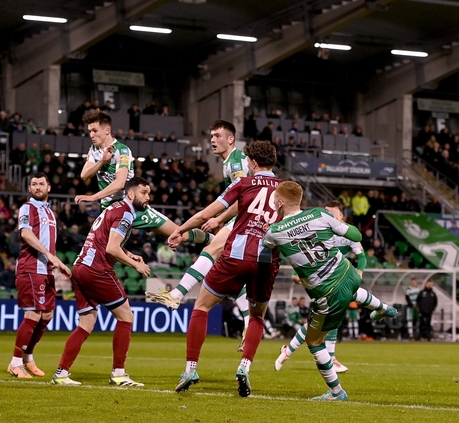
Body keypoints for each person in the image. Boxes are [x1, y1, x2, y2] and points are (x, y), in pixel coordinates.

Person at [168, 141, 281, 397]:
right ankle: (244, 366)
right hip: (267, 260)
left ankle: (191, 368)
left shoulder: (244, 183)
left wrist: (181, 230)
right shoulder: (286, 190)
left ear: (252, 162)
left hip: (237, 255)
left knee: (202, 306)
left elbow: (205, 214)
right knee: (256, 317)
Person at [147, 120, 252, 353]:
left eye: (217, 135)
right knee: (230, 270)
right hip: (248, 221)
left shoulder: (236, 162)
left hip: (247, 218)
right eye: (211, 135)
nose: (212, 139)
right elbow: (210, 233)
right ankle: (249, 324)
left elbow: (243, 198)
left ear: (231, 139)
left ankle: (176, 294)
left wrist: (220, 218)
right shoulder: (230, 164)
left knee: (211, 250)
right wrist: (185, 236)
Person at [262, 181, 366, 401]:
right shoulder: (319, 214)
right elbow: (356, 236)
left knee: (314, 340)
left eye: (273, 199)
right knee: (328, 322)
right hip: (346, 275)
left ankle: (337, 392)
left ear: (280, 203)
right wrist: (337, 223)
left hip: (324, 290)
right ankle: (383, 309)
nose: (272, 202)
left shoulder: (274, 231)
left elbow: (266, 251)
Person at [275, 200, 397, 373]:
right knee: (320, 323)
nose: (329, 215)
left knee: (324, 321)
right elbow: (298, 268)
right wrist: (302, 277)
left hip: (336, 279)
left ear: (341, 215)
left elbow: (361, 256)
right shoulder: (320, 228)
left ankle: (293, 352)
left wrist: (360, 272)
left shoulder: (345, 232)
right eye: (327, 212)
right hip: (321, 281)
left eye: (332, 213)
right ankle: (383, 308)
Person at [51, 177, 152, 387]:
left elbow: (107, 241)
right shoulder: (125, 213)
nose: (148, 198)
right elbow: (111, 249)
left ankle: (61, 373)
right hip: (96, 269)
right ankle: (119, 373)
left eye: (149, 193)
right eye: (144, 193)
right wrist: (136, 266)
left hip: (80, 267)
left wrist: (130, 254)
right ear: (131, 194)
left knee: (86, 323)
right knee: (126, 316)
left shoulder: (114, 208)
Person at [75, 111, 200, 247]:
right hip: (109, 208)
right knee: (107, 250)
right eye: (89, 131)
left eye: (94, 130)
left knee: (179, 233)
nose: (91, 135)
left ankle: (215, 241)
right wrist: (101, 162)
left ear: (107, 130)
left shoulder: (122, 150)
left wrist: (93, 197)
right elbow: (84, 175)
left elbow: (119, 183)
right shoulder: (94, 150)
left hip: (131, 206)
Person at [7, 173, 72, 379]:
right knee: (33, 315)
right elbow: (26, 234)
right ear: (29, 188)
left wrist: (56, 262)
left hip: (47, 269)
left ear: (49, 187)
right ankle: (15, 363)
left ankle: (28, 358)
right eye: (33, 184)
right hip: (31, 267)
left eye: (41, 184)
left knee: (46, 316)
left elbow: (47, 242)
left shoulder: (50, 213)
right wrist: (52, 257)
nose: (37, 187)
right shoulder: (28, 208)